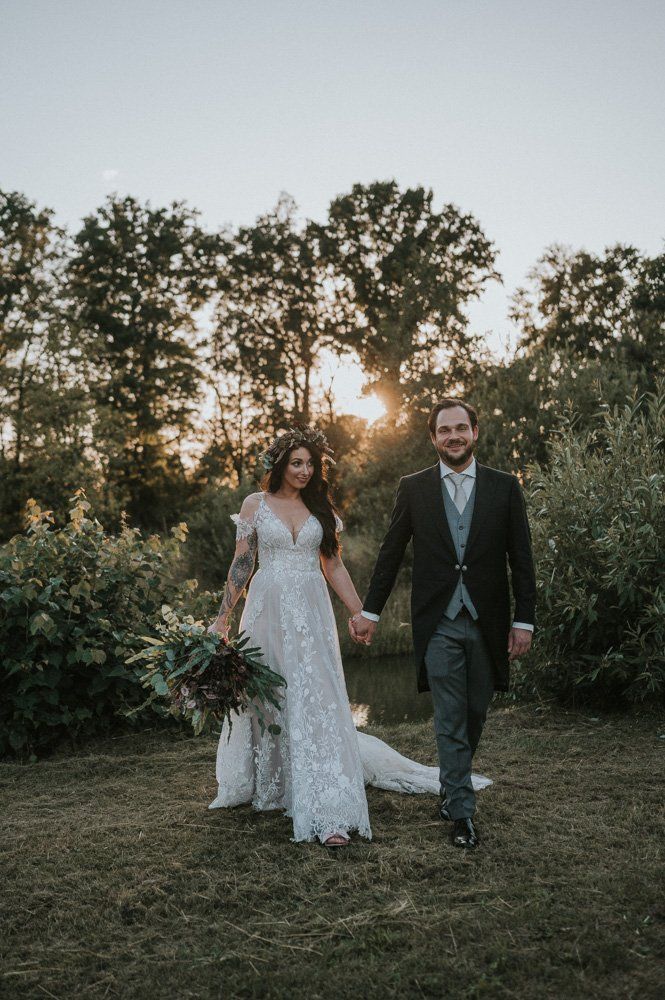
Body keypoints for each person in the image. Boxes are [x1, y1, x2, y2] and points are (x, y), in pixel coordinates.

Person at [207, 425, 490, 847]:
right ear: (280, 464)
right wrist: (222, 618)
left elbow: (334, 567)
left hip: (311, 613)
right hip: (265, 612)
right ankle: (274, 783)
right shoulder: (255, 505)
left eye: (310, 464)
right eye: (296, 463)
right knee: (267, 697)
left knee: (316, 696)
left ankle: (327, 803)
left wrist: (361, 612)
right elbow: (241, 565)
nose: (304, 471)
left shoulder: (320, 510)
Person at [350, 399, 536, 849]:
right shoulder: (413, 488)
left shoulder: (504, 487)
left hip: (488, 621)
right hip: (438, 622)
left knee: (475, 713)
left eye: (460, 428)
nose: (453, 437)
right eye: (444, 430)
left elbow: (522, 561)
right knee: (450, 718)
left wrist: (524, 619)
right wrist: (371, 611)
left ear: (475, 432)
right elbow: (391, 553)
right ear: (433, 438)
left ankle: (453, 785)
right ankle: (461, 812)